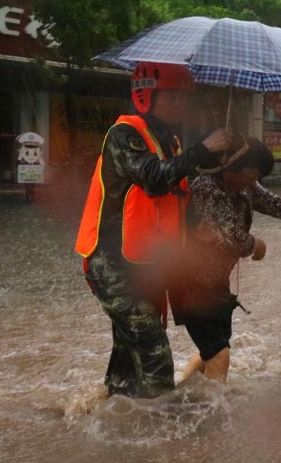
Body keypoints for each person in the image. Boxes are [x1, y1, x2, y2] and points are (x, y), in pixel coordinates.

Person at [75, 62, 230, 398]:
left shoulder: (169, 140)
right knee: (154, 353)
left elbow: (175, 192)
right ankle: (162, 438)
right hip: (113, 264)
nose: (179, 105)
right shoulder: (124, 135)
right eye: (172, 97)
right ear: (145, 95)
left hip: (146, 263)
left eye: (183, 99)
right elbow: (154, 177)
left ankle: (106, 418)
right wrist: (202, 149)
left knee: (128, 357)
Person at [170, 137, 281, 383]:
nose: (250, 182)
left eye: (254, 178)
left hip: (216, 283)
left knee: (212, 351)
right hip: (190, 282)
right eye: (247, 175)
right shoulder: (206, 186)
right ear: (227, 163)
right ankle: (213, 416)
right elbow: (225, 233)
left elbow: (273, 203)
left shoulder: (244, 185)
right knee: (219, 355)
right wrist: (254, 244)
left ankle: (181, 394)